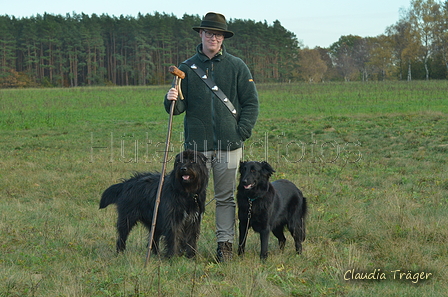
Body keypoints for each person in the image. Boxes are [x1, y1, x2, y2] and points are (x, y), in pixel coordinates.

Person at [164, 12, 259, 262]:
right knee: (191, 197)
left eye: (218, 34)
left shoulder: (237, 66)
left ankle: (224, 246)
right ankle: (187, 246)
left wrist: (241, 132)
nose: (213, 37)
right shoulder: (185, 68)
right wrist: (170, 99)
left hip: (230, 146)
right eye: (209, 33)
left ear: (223, 37)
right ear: (201, 35)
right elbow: (179, 109)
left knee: (226, 198)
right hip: (196, 149)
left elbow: (251, 103)